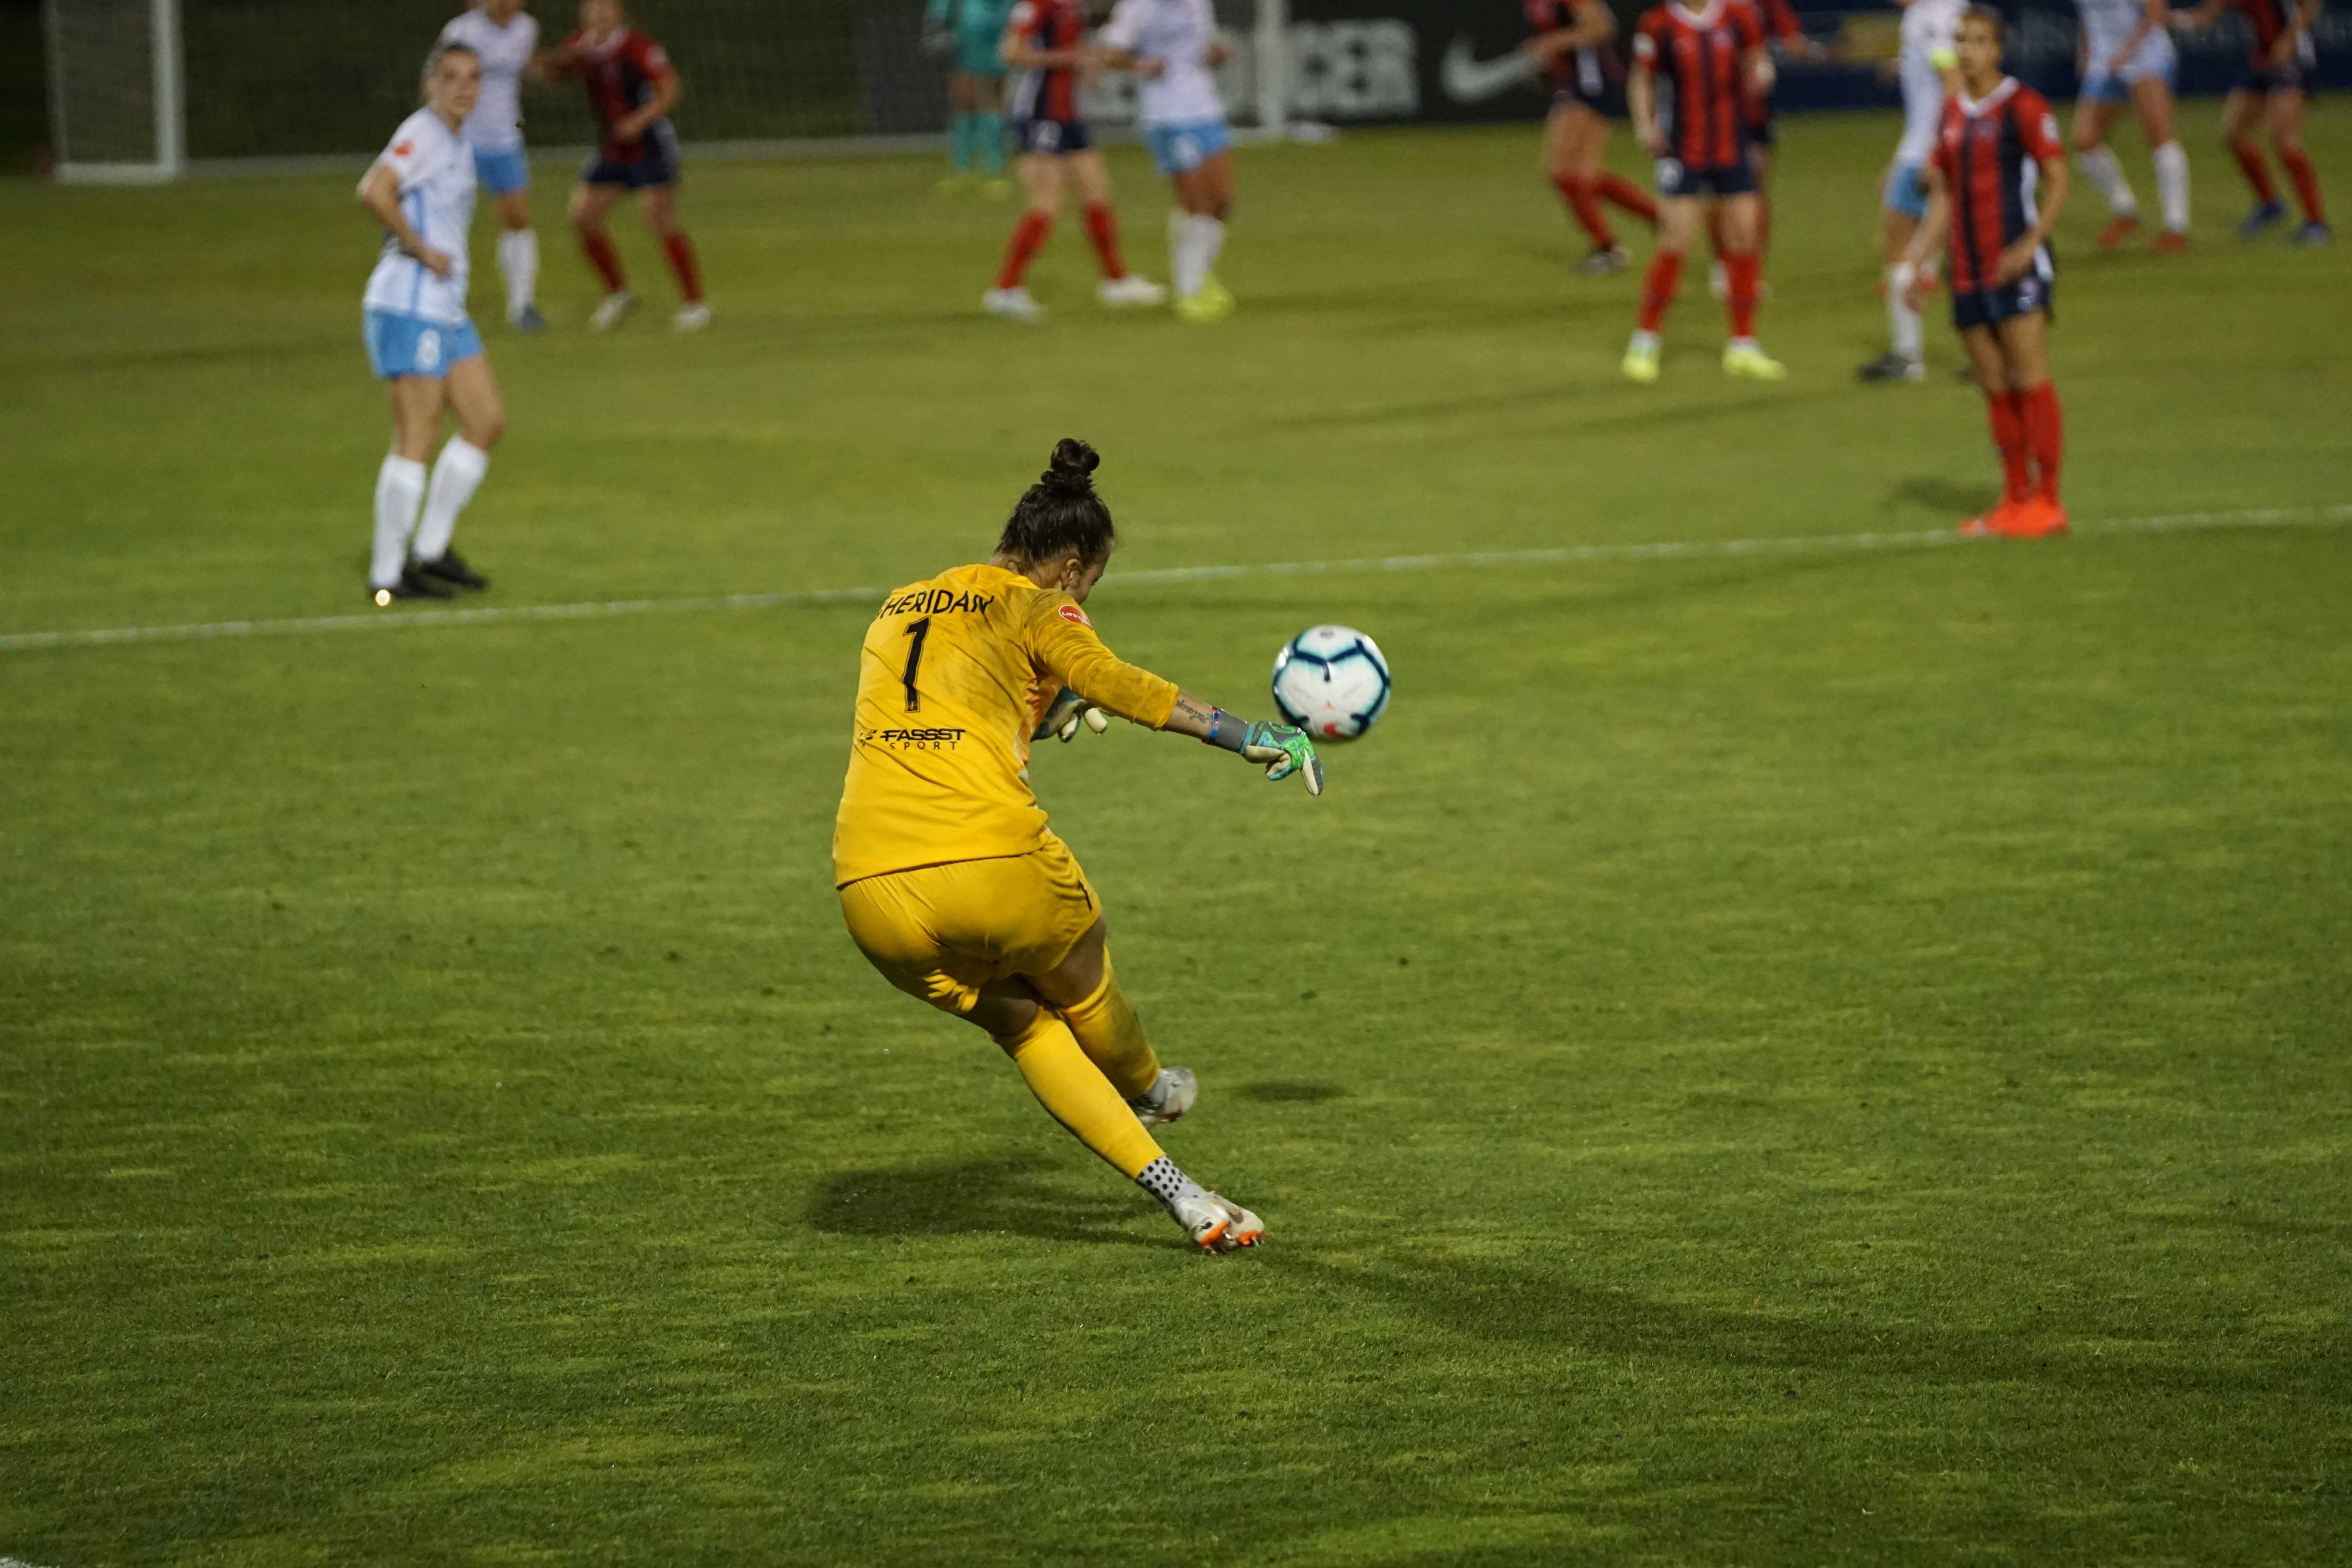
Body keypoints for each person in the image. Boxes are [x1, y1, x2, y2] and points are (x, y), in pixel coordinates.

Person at [832, 439, 1324, 1251]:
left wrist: (1038, 704)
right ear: (1067, 568)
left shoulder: (899, 605)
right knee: (1081, 974)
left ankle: (1187, 1195)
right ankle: (1154, 1086)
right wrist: (1251, 735)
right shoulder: (1039, 607)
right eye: (1090, 584)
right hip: (992, 859)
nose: (1086, 597)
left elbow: (943, 703)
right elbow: (1120, 683)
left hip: (871, 887)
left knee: (1024, 1024)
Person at [1897, 7, 2072, 538]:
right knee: (1995, 387)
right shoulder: (1952, 113)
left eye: (1977, 41)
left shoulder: (2024, 106)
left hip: (2014, 266)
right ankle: (2014, 500)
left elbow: (2059, 177)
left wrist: (2031, 241)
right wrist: (1920, 261)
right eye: (1961, 41)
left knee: (2030, 379)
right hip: (1967, 270)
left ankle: (2049, 501)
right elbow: (1946, 195)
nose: (1967, 50)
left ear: (1998, 49)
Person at [357, 43, 505, 605]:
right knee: (417, 435)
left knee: (486, 420)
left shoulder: (458, 142)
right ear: (430, 85)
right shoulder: (423, 132)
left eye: (473, 77)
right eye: (451, 77)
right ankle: (387, 575)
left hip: (445, 307)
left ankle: (432, 548)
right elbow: (375, 189)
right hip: (410, 304)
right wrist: (420, 249)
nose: (464, 87)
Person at [1621, 0, 1785, 384]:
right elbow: (1641, 78)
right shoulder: (1658, 23)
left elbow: (1758, 61)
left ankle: (1743, 345)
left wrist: (1762, 73)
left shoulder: (1739, 16)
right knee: (1676, 241)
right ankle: (1645, 341)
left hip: (1731, 146)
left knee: (1744, 238)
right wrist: (1645, 124)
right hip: (1683, 149)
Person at [984, 0, 1167, 321]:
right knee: (1046, 203)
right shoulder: (1036, 5)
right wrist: (1067, 59)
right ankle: (1006, 290)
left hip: (1068, 114)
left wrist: (1090, 65)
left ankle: (1117, 282)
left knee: (1097, 191)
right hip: (1040, 114)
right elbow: (1011, 52)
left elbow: (1078, 49)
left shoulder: (1074, 7)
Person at [548, 0, 709, 331]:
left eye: (606, 8)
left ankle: (695, 304)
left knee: (658, 216)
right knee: (583, 218)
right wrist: (546, 66)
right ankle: (619, 294)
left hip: (651, 143)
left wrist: (639, 120)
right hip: (613, 147)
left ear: (619, 12)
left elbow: (670, 92)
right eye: (592, 9)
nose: (599, 15)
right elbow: (556, 72)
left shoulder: (639, 48)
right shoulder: (580, 47)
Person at [1098, 0, 1238, 322]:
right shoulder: (1138, 7)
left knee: (1223, 201)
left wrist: (1213, 55)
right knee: (1197, 202)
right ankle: (1189, 290)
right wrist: (1141, 65)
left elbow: (1202, 44)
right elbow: (1108, 53)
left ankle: (1198, 274)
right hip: (1167, 116)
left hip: (1205, 109)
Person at [1859, 0, 1964, 382]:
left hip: (1928, 149)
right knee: (1952, 247)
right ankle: (1991, 355)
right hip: (1924, 145)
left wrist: (1935, 151)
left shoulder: (1933, 17)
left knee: (1898, 245)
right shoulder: (1936, 12)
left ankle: (1908, 358)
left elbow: (1953, 84)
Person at [1524, 0, 1656, 275]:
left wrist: (1553, 43)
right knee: (1581, 175)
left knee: (1562, 170)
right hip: (1576, 82)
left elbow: (1601, 26)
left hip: (1591, 82)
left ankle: (1610, 249)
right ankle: (1660, 220)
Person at [2181, 0, 2328, 242]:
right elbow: (2207, 16)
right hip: (2264, 58)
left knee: (2284, 141)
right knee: (2234, 134)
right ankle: (2271, 205)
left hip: (2294, 58)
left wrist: (2289, 40)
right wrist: (2170, 19)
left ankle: (2316, 223)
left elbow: (2310, 5)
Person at [439, 0, 546, 330]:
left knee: (517, 219)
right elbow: (438, 78)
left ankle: (522, 305)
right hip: (463, 141)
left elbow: (523, 71)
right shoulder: (461, 31)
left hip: (506, 141)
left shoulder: (527, 29)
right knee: (449, 222)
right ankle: (445, 305)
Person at [2067, 0, 2190, 251]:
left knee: (2160, 135)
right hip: (2105, 60)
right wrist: (2086, 48)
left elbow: (2157, 15)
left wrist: (2127, 51)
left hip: (2146, 56)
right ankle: (2126, 213)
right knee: (2085, 140)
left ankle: (2176, 227)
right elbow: (2088, 15)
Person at [924, 0, 1016, 196]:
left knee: (975, 108)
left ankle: (980, 171)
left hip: (974, 50)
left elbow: (938, 17)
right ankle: (983, 171)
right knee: (978, 109)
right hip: (988, 50)